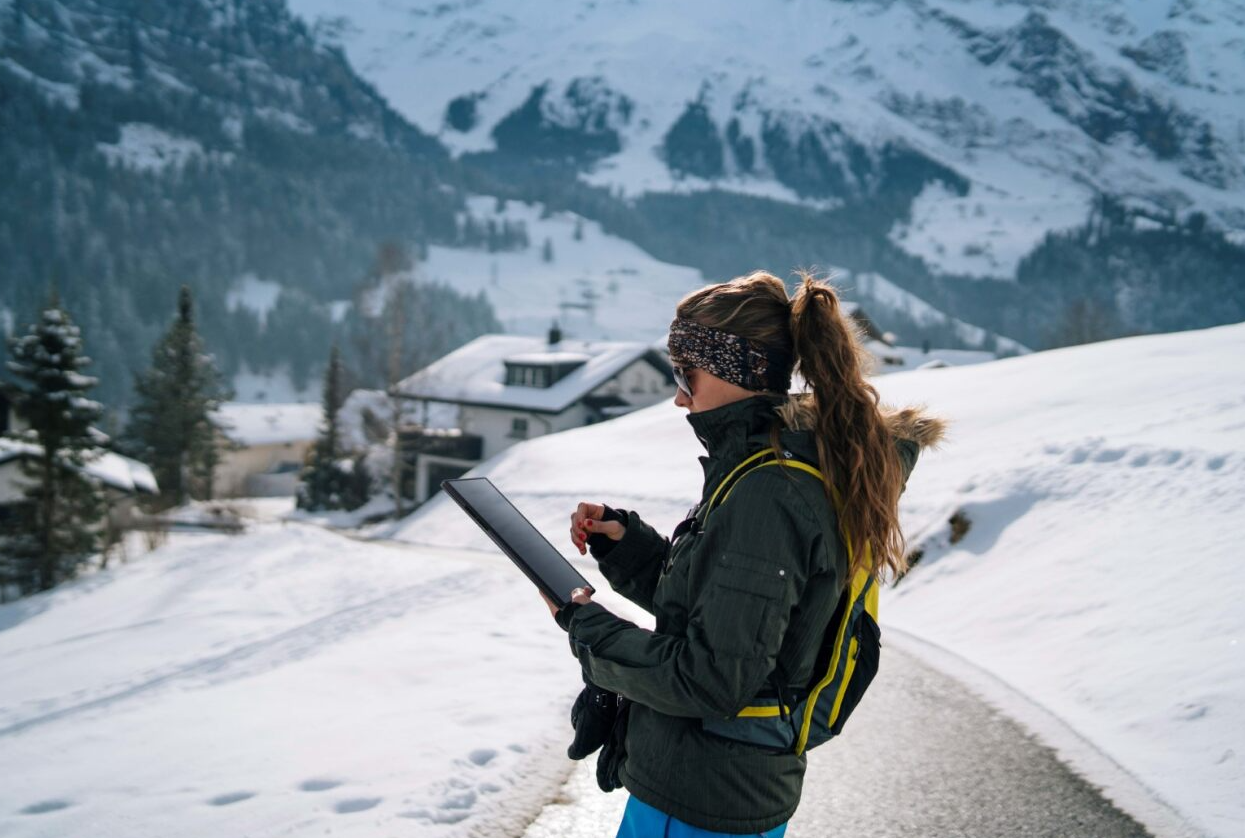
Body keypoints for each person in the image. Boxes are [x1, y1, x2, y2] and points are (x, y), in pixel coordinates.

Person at [540, 269, 947, 836]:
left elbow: (710, 677)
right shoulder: (769, 469)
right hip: (714, 790)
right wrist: (627, 546)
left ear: (740, 372)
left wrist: (583, 624)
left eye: (687, 374)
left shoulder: (772, 491)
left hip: (700, 801)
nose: (679, 396)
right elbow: (723, 614)